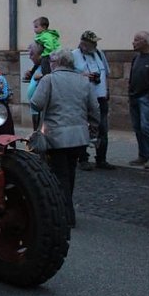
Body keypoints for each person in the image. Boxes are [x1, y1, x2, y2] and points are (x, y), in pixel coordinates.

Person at [30, 49, 100, 227]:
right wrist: (93, 129)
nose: (50, 64)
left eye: (52, 61)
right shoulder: (83, 81)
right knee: (70, 173)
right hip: (79, 137)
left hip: (56, 136)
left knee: (59, 175)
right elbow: (94, 108)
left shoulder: (49, 79)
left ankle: (66, 215)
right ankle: (66, 211)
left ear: (58, 62)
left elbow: (36, 103)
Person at [72, 31, 112, 170]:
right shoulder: (74, 55)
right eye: (93, 43)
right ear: (84, 44)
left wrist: (107, 90)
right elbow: (68, 74)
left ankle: (101, 159)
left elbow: (106, 74)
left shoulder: (99, 54)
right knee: (84, 128)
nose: (95, 45)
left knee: (103, 128)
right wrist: (83, 75)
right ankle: (83, 159)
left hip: (100, 97)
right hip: (83, 98)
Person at [128, 31, 149, 168]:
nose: (133, 42)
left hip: (146, 98)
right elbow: (132, 77)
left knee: (146, 127)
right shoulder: (136, 58)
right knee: (137, 128)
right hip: (134, 97)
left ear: (145, 42)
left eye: (137, 40)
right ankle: (142, 155)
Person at [23, 16, 60, 82]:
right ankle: (31, 74)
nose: (34, 29)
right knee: (37, 64)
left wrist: (44, 54)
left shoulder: (46, 35)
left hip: (49, 53)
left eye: (36, 27)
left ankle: (45, 76)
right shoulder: (42, 35)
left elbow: (50, 46)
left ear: (44, 27)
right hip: (48, 53)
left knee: (44, 63)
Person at [26, 42, 43, 130]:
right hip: (34, 109)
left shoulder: (45, 67)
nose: (30, 57)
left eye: (32, 54)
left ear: (39, 55)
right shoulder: (36, 67)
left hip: (39, 110)